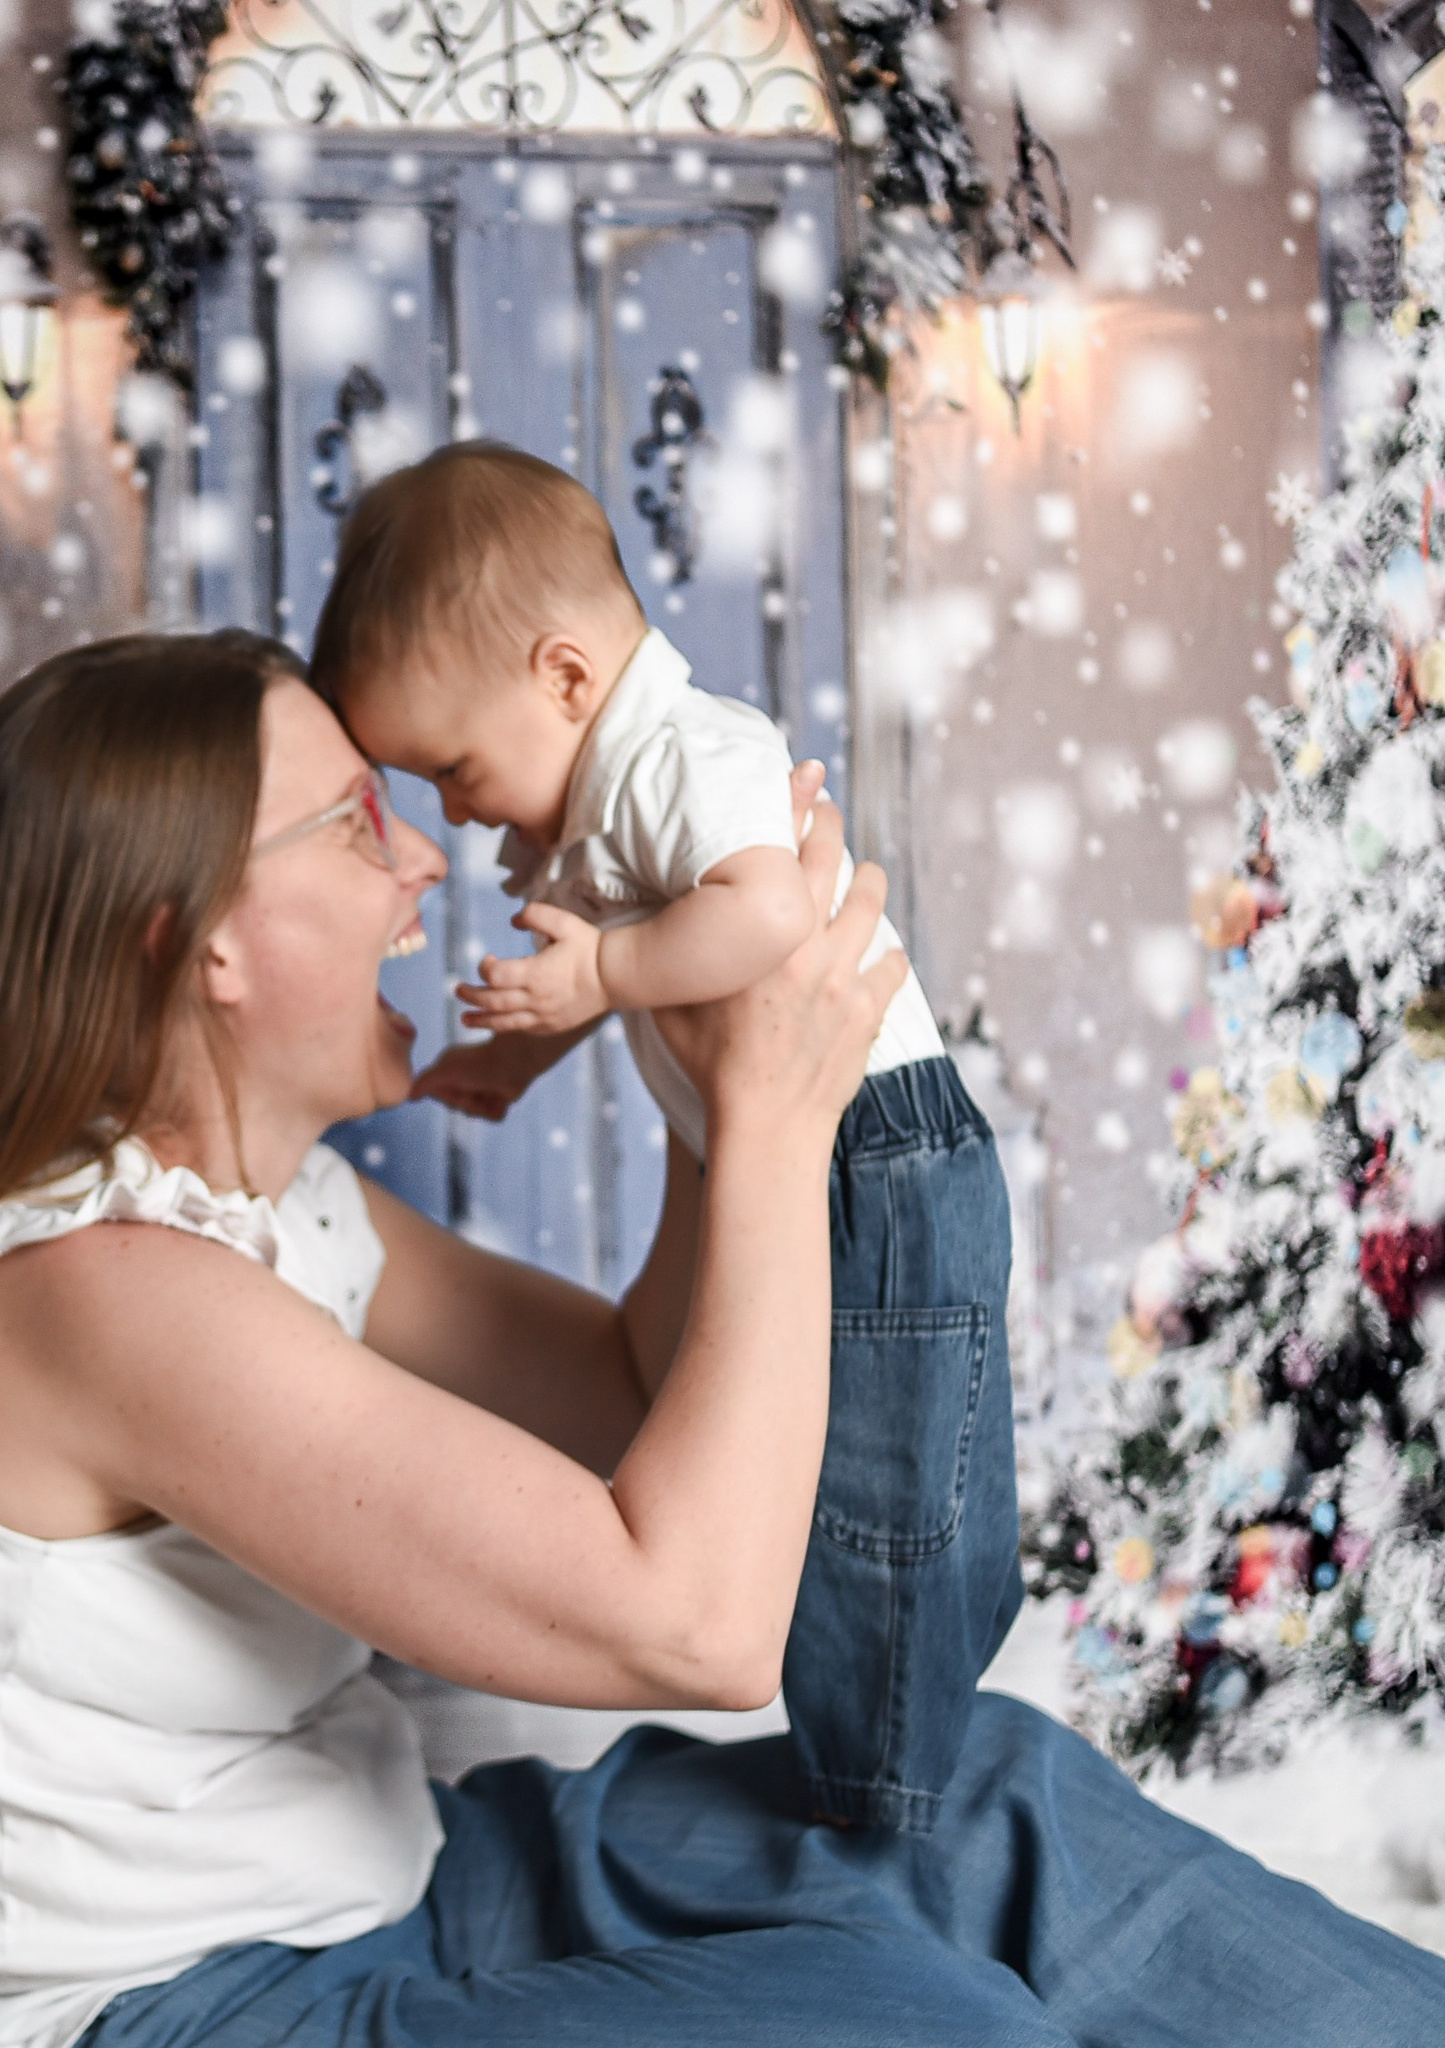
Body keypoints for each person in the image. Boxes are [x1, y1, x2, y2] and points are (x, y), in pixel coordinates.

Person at [0, 629, 1445, 2048]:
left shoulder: (282, 1214)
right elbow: (694, 1626)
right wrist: (784, 1130)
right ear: (199, 942)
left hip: (402, 1890)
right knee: (905, 2018)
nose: (421, 872)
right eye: (353, 825)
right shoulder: (93, 1292)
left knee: (976, 1808)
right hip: (148, 2018)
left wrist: (705, 1068)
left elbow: (637, 1394)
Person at [311, 440, 1005, 1832]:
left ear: (566, 678)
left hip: (883, 1150)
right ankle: (886, 1748)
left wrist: (600, 980)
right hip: (817, 1142)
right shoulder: (593, 791)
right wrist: (518, 1059)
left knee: (885, 1485)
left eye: (452, 770)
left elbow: (762, 915)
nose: (454, 814)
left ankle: (893, 1789)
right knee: (856, 1470)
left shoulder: (688, 754)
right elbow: (636, 950)